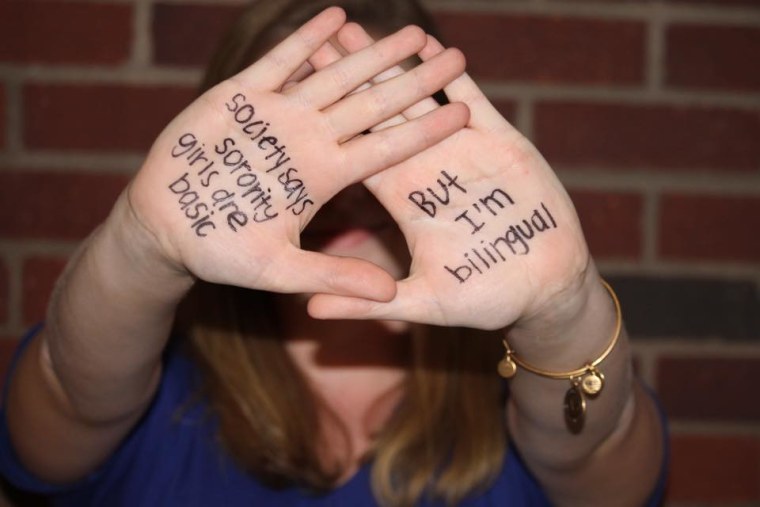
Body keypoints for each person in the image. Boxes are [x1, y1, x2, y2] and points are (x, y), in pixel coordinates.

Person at [0, 1, 666, 505]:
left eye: (379, 132)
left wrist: (560, 307)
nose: (342, 188)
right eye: (286, 148)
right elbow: (69, 388)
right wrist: (142, 242)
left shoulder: (510, 408)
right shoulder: (160, 390)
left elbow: (599, 461)